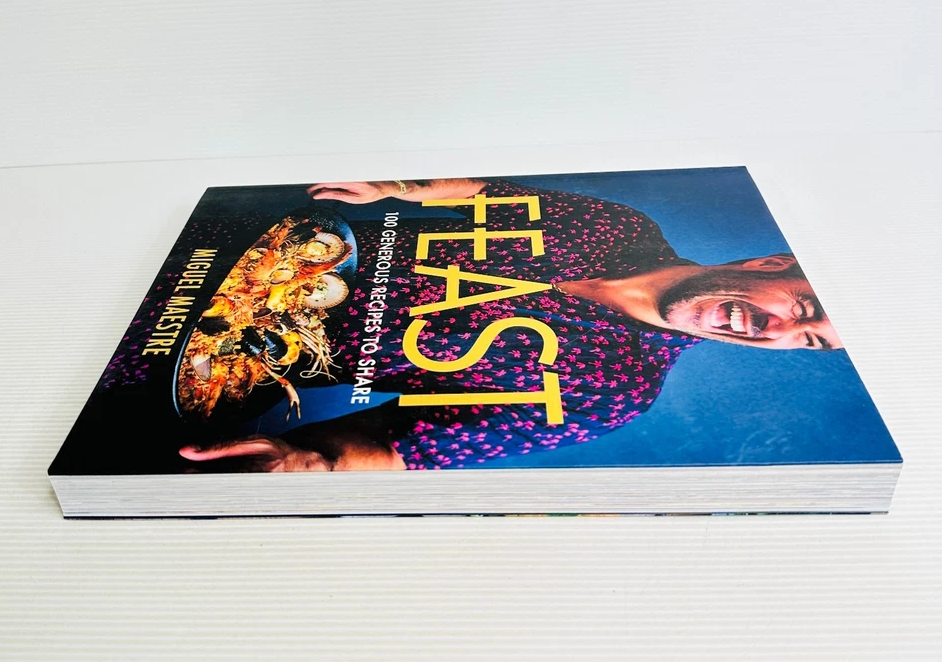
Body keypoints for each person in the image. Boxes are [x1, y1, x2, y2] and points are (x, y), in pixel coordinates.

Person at [179, 176, 842, 474]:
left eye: (806, 341)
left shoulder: (616, 394)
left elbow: (403, 448)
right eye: (803, 310)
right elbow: (479, 194)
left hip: (203, 359)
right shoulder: (622, 225)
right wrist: (396, 186)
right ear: (770, 263)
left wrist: (311, 464)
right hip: (227, 245)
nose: (778, 332)